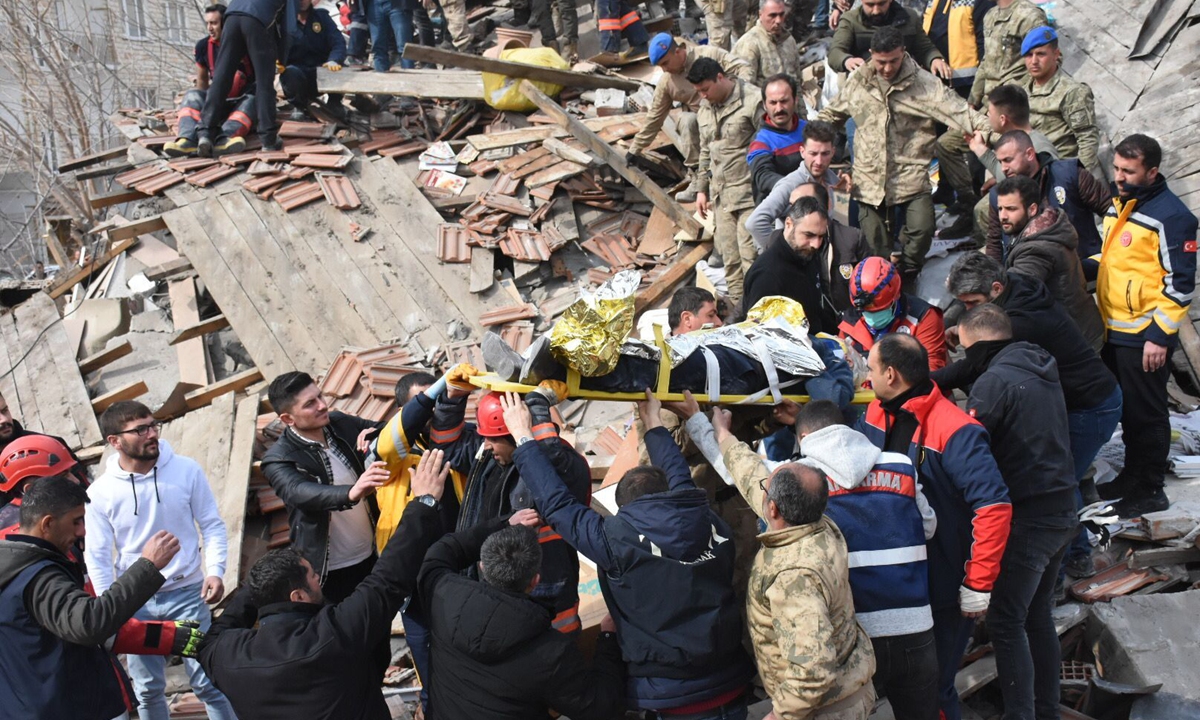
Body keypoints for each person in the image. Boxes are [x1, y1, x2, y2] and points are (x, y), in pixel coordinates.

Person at [504, 391, 757, 719]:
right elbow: (679, 481)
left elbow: (557, 504)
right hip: (731, 686)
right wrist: (653, 422)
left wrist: (523, 438)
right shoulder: (708, 519)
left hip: (669, 698)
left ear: (624, 508)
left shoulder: (615, 540)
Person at [199, 450, 449, 720]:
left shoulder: (228, 656)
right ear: (297, 595)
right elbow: (387, 579)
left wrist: (260, 582)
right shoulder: (333, 634)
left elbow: (214, 636)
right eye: (311, 575)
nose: (318, 576)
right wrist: (424, 503)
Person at [857, 334, 1012, 720]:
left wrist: (978, 582)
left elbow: (994, 506)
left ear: (890, 374)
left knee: (934, 691)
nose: (865, 377)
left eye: (870, 369)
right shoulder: (877, 411)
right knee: (905, 689)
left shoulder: (955, 430)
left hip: (940, 588)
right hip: (894, 584)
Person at [939, 253, 1122, 578]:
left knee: (1060, 482)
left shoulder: (1022, 322)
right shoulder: (1013, 286)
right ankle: (1070, 555)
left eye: (972, 303)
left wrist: (924, 380)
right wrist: (967, 328)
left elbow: (975, 365)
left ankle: (1072, 559)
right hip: (1077, 398)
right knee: (1065, 477)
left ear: (996, 289)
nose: (968, 310)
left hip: (1089, 405)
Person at [713, 407, 877, 719]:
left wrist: (781, 715)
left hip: (825, 711)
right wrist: (724, 436)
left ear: (773, 510)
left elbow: (812, 670)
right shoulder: (818, 523)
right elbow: (755, 478)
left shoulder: (793, 577)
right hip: (851, 692)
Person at [956, 304, 1078, 720]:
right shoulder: (1038, 367)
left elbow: (967, 447)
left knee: (1006, 621)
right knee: (1036, 614)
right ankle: (1046, 710)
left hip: (1030, 518)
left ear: (981, 345)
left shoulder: (994, 383)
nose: (965, 360)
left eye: (966, 350)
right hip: (1063, 508)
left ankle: (1021, 714)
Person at [787, 400, 939, 719]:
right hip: (914, 628)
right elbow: (928, 526)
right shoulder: (900, 465)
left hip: (853, 635)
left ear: (802, 439)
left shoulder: (800, 481)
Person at [84, 401, 236, 720]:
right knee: (148, 690)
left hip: (188, 595)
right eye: (140, 430)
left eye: (153, 425)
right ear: (114, 441)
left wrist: (216, 570)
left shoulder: (186, 469)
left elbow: (211, 523)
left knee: (209, 683)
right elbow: (96, 555)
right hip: (136, 604)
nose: (151, 434)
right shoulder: (101, 493)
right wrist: (111, 608)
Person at [0, 476, 182, 720]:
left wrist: (166, 637)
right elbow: (90, 623)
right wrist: (147, 566)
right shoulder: (38, 577)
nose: (82, 530)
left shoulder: (13, 568)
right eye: (76, 521)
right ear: (47, 523)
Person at [819, 27, 988, 286]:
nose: (887, 69)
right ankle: (881, 285)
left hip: (910, 175)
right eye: (881, 62)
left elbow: (962, 114)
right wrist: (811, 139)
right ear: (871, 56)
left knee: (921, 230)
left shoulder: (924, 84)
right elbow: (832, 115)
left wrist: (1001, 135)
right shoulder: (859, 81)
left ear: (904, 53)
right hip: (869, 179)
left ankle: (908, 274)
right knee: (873, 244)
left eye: (893, 61)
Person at [429, 375, 591, 636]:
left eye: (492, 439)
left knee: (557, 655)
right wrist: (453, 399)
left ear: (515, 436)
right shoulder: (491, 460)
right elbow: (447, 448)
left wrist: (537, 408)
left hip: (549, 585)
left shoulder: (562, 466)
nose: (486, 445)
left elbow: (550, 462)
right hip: (501, 584)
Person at [417, 519, 626, 720]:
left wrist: (505, 523)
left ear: (482, 567)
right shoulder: (552, 652)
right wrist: (608, 639)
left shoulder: (443, 595)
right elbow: (599, 707)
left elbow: (442, 550)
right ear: (535, 581)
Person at [1096, 134, 1198, 517]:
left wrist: (1159, 336)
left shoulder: (1172, 217)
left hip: (1144, 335)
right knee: (1129, 413)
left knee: (1148, 414)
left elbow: (1180, 284)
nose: (1119, 177)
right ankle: (1132, 477)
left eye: (1129, 171)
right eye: (1118, 168)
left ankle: (1151, 488)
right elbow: (1115, 259)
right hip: (1115, 329)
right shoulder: (1123, 203)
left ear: (1152, 172)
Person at [261, 372, 387, 601]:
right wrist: (351, 492)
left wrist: (376, 435)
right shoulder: (278, 459)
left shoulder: (339, 423)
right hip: (330, 569)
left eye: (320, 396)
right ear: (288, 419)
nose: (322, 406)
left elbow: (386, 429)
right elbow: (299, 491)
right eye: (310, 404)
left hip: (374, 551)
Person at [627, 34, 753, 201]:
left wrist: (736, 97)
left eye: (665, 63)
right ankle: (696, 179)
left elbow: (743, 68)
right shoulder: (667, 82)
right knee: (686, 120)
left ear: (678, 51)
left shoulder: (708, 55)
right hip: (703, 126)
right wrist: (635, 149)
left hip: (730, 114)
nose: (664, 69)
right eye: (660, 66)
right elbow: (655, 117)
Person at [993, 174, 1105, 349]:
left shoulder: (1036, 249)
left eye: (1011, 209)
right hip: (1080, 330)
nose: (1003, 216)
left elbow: (1016, 290)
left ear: (1032, 209)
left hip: (1072, 342)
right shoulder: (1046, 228)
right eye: (1000, 209)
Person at [691, 56, 764, 311]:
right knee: (730, 262)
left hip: (749, 195)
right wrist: (701, 189)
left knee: (750, 258)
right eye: (698, 91)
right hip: (721, 197)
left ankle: (759, 309)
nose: (703, 96)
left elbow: (767, 144)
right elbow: (705, 151)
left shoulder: (752, 100)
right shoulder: (705, 108)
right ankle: (739, 311)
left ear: (720, 78)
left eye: (705, 89)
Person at [982, 130, 1111, 263]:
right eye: (1000, 162)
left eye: (1008, 160)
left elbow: (1110, 210)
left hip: (1085, 269)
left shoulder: (1070, 174)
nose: (1003, 168)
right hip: (1029, 274)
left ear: (1030, 154)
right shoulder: (998, 195)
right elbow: (994, 241)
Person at [749, 181, 871, 312]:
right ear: (789, 224)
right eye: (793, 205)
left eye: (806, 204)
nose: (816, 244)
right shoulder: (771, 263)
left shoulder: (850, 239)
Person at [199, 0, 299, 155]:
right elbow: (289, 29)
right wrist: (282, 58)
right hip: (256, 20)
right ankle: (268, 139)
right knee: (264, 82)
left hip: (231, 17)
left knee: (221, 77)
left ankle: (205, 134)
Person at [165, 4, 257, 158]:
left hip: (241, 101)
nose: (210, 28)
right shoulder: (203, 47)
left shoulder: (246, 44)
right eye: (208, 23)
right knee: (192, 95)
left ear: (225, 23)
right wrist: (205, 107)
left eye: (214, 23)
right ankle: (187, 140)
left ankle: (225, 138)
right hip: (216, 101)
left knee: (253, 101)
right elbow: (202, 83)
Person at [743, 196, 839, 333]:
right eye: (809, 235)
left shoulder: (807, 256)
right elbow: (760, 334)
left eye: (821, 236)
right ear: (788, 224)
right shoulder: (767, 274)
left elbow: (815, 311)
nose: (816, 244)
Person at [1021, 27, 1104, 181]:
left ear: (1056, 54)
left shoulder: (1072, 92)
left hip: (1061, 172)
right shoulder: (1022, 92)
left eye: (1041, 54)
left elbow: (1087, 140)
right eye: (1028, 55)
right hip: (1030, 172)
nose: (1034, 61)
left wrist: (1078, 178)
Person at [839, 257, 948, 371]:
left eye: (879, 310)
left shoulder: (924, 317)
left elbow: (932, 371)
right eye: (866, 312)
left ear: (896, 297)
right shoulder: (849, 323)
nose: (872, 316)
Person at [827, 0, 950, 78]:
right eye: (870, 5)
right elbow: (835, 52)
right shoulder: (850, 20)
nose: (876, 11)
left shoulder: (909, 18)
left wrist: (935, 59)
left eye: (881, 4)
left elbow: (925, 48)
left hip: (904, 81)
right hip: (863, 82)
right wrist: (847, 61)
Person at [967, 0, 1044, 108]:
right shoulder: (990, 15)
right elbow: (986, 62)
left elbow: (1045, 62)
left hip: (1015, 104)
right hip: (990, 103)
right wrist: (972, 102)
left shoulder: (1029, 16)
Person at [747, 74, 808, 203]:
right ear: (764, 105)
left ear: (795, 100)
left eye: (784, 101)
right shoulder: (760, 141)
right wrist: (795, 188)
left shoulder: (809, 131)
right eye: (773, 103)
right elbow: (763, 176)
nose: (779, 108)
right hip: (777, 214)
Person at [281, 0, 346, 118]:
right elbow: (274, 45)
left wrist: (334, 60)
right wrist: (277, 61)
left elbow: (338, 43)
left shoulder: (322, 17)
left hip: (322, 72)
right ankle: (299, 106)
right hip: (298, 74)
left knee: (340, 67)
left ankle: (335, 102)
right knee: (290, 72)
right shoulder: (285, 21)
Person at [922, 0, 993, 97]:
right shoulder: (933, 1)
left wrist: (982, 89)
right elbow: (923, 38)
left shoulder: (980, 2)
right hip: (933, 82)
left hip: (967, 85)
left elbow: (985, 46)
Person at [732, 0, 802, 86]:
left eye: (781, 14)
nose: (778, 21)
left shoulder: (789, 40)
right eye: (773, 15)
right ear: (760, 15)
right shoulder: (749, 44)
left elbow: (797, 80)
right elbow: (745, 88)